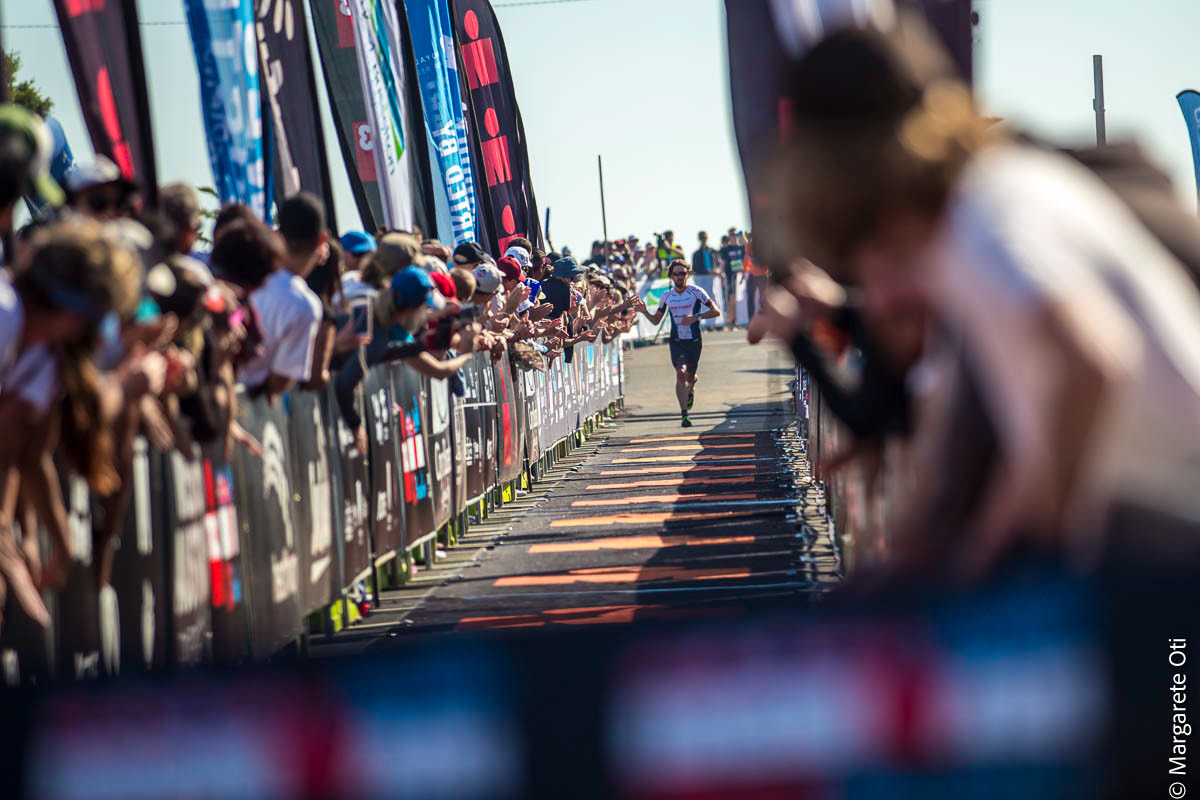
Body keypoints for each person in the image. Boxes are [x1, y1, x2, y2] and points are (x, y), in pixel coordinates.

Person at [772, 14, 1200, 575]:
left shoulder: (990, 213)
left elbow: (1091, 360)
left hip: (1171, 534)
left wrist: (1028, 544)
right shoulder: (971, 223)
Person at [238, 193, 325, 399]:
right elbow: (280, 379)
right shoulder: (304, 305)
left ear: (277, 234)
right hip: (252, 403)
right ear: (322, 240)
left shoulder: (244, 273)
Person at [633, 260, 720, 426]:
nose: (680, 277)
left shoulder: (696, 292)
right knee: (680, 373)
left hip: (694, 341)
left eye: (683, 273)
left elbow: (716, 311)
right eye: (676, 274)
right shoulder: (666, 296)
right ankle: (684, 415)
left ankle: (691, 386)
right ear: (671, 276)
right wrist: (644, 312)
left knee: (690, 376)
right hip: (676, 341)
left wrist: (696, 317)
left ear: (688, 274)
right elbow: (656, 320)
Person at [719, 228, 747, 322]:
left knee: (742, 298)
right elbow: (723, 263)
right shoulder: (726, 249)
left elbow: (748, 247)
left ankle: (742, 319)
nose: (734, 236)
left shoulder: (741, 247)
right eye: (732, 235)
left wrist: (742, 236)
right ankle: (732, 320)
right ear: (729, 236)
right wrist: (722, 276)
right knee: (732, 298)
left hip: (741, 276)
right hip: (731, 276)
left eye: (735, 234)